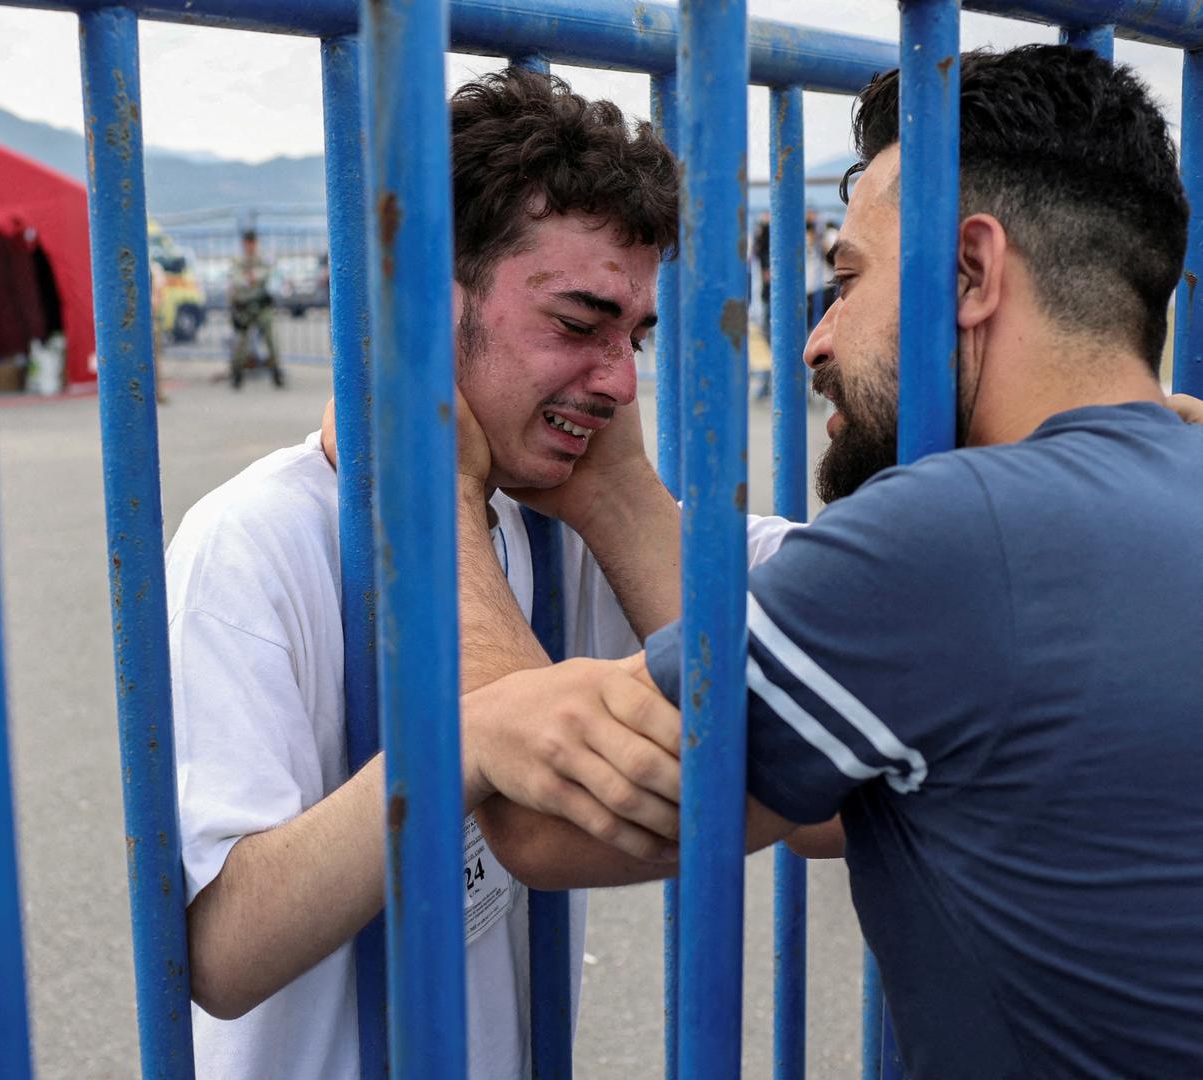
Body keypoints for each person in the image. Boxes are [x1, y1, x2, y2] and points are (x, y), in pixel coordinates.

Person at [469, 45, 1203, 1077]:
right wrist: (617, 494)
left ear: (973, 272)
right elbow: (821, 792)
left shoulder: (958, 534)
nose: (817, 341)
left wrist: (427, 480)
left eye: (848, 280)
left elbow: (537, 820)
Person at [164, 69, 801, 1079]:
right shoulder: (256, 539)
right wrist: (456, 749)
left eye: (634, 336)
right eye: (578, 323)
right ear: (422, 305)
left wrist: (623, 497)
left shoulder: (555, 519)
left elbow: (805, 703)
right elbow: (219, 952)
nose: (623, 380)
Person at [228, 228, 284, 388]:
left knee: (271, 340)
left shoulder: (263, 258)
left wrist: (254, 277)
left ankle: (276, 372)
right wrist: (251, 279)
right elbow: (237, 280)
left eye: (252, 243)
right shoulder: (238, 261)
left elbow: (270, 274)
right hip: (244, 307)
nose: (250, 246)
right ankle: (237, 373)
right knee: (242, 343)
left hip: (261, 306)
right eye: (248, 243)